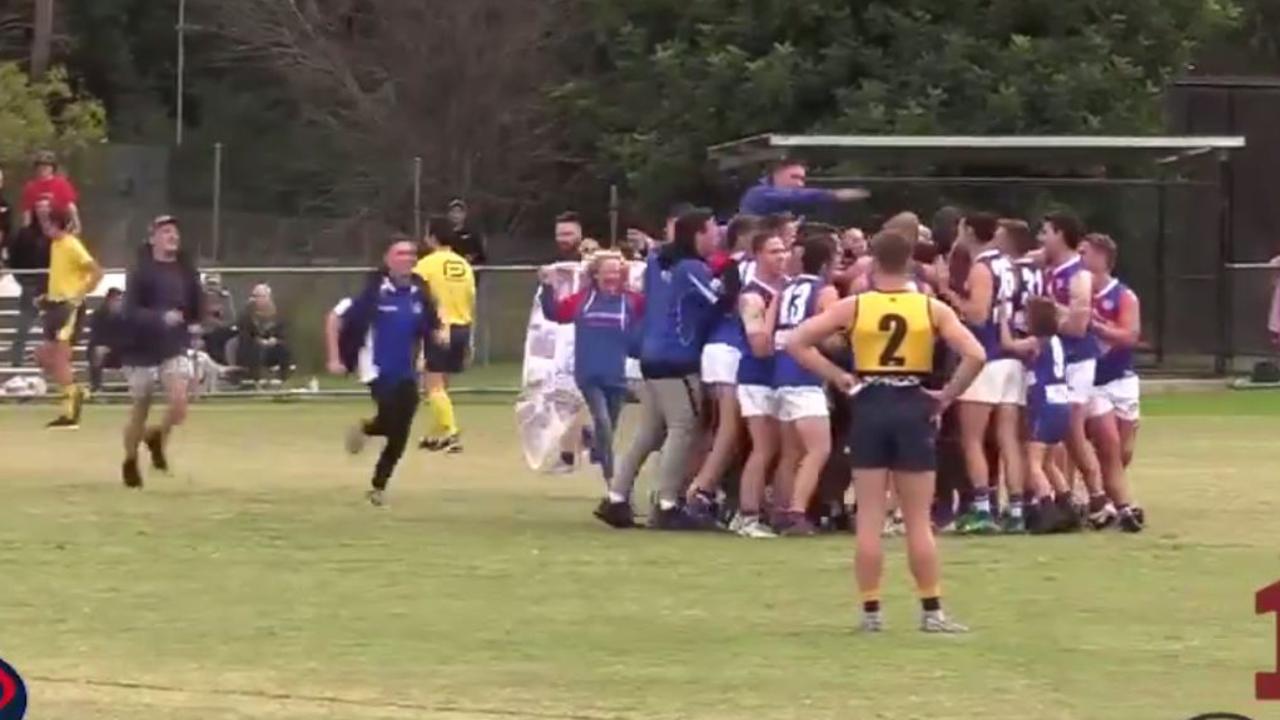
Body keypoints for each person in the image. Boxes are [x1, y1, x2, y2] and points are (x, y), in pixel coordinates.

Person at [786, 229, 984, 634]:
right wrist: (946, 395)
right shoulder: (931, 308)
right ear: (912, 260)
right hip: (913, 402)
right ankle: (932, 611)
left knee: (870, 516)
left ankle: (871, 612)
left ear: (873, 261)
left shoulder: (855, 306)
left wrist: (840, 377)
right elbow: (976, 354)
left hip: (870, 402)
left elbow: (797, 342)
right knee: (917, 518)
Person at [597, 209, 727, 530]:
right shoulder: (691, 267)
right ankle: (667, 503)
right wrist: (733, 279)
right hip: (676, 358)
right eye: (712, 231)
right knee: (684, 427)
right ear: (697, 234)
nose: (717, 236)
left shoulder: (657, 261)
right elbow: (718, 299)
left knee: (651, 430)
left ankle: (616, 497)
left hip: (650, 354)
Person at [326, 236, 443, 506]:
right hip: (377, 369)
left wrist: (440, 338)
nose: (408, 258)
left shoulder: (420, 293)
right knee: (392, 419)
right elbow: (334, 318)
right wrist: (335, 358)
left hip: (407, 369)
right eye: (401, 253)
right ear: (388, 259)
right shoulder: (373, 292)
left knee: (399, 432)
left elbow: (432, 325)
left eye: (412, 254)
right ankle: (370, 429)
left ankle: (378, 485)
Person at [938, 212, 1025, 534]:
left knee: (972, 438)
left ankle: (983, 509)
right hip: (1010, 358)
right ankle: (1016, 509)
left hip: (986, 357)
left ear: (970, 230)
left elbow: (977, 314)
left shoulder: (982, 267)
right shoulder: (1008, 264)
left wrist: (948, 293)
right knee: (1007, 438)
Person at [539, 251, 644, 489]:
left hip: (617, 376)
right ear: (595, 274)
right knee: (604, 423)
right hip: (589, 373)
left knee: (608, 430)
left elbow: (641, 332)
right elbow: (555, 313)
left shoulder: (633, 301)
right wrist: (547, 286)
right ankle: (612, 483)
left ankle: (594, 442)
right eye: (608, 270)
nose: (613, 275)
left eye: (617, 271)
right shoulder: (583, 300)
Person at [1040, 212, 1114, 528]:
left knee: (1072, 431)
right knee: (1057, 434)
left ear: (1060, 234)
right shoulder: (1049, 267)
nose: (1040, 237)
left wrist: (1046, 313)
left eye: (1045, 231)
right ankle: (1071, 498)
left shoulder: (1078, 275)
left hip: (1076, 361)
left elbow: (1078, 325)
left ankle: (1099, 499)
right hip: (1057, 360)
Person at [684, 215, 762, 514]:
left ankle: (689, 488)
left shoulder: (724, 265)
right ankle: (699, 492)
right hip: (730, 349)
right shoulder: (744, 267)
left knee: (714, 426)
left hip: (715, 348)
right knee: (729, 427)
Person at [119, 217, 203, 488]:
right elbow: (129, 311)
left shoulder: (185, 270)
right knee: (140, 408)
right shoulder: (140, 271)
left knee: (179, 404)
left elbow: (195, 306)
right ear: (153, 237)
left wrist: (197, 319)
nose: (173, 236)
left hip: (172, 346)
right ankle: (130, 460)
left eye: (175, 232)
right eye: (166, 231)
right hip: (140, 348)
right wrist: (159, 318)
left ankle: (156, 435)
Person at [771, 235, 840, 536]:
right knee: (819, 449)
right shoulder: (825, 291)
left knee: (791, 452)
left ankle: (781, 509)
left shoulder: (787, 288)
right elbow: (829, 335)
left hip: (781, 372)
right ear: (827, 262)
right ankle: (797, 512)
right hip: (805, 374)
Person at [1080, 233, 1144, 532]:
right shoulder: (1077, 291)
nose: (1081, 258)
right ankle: (1121, 506)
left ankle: (1105, 501)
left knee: (1124, 452)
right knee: (1108, 444)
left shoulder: (1123, 295)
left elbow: (1129, 336)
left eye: (1087, 253)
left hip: (1121, 378)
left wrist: (1096, 326)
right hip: (1093, 382)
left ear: (1103, 258)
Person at [729, 230, 789, 538]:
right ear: (757, 256)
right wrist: (775, 306)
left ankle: (776, 511)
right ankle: (747, 515)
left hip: (780, 378)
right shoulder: (753, 295)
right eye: (773, 251)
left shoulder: (790, 288)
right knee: (763, 447)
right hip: (756, 377)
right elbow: (760, 346)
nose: (781, 257)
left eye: (783, 250)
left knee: (782, 448)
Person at [999, 296, 1074, 534]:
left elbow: (1008, 345)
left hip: (1045, 403)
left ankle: (1048, 509)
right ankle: (1067, 507)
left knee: (1034, 464)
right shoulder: (1057, 342)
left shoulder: (1037, 341)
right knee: (1049, 462)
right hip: (1062, 402)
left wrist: (1002, 320)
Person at [414, 217, 477, 453]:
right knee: (441, 386)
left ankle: (451, 433)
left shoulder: (425, 265)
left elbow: (419, 298)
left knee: (432, 385)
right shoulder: (464, 265)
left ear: (431, 237)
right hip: (462, 326)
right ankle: (436, 434)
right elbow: (471, 300)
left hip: (439, 328)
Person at [37, 208, 102, 428]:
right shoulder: (55, 245)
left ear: (57, 224)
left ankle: (70, 412)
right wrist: (48, 296)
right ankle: (76, 392)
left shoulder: (72, 244)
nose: (45, 226)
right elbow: (64, 275)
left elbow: (96, 271)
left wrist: (79, 295)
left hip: (68, 307)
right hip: (54, 305)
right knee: (43, 356)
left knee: (60, 357)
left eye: (48, 222)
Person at [4, 195, 52, 367]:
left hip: (55, 285)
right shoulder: (25, 234)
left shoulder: (58, 232)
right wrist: (23, 279)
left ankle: (55, 363)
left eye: (46, 207)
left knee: (57, 327)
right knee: (24, 324)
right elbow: (13, 258)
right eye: (39, 207)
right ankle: (16, 361)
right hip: (31, 283)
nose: (43, 211)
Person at [738, 158, 869, 216]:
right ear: (776, 174)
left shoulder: (790, 206)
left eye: (802, 179)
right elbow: (795, 197)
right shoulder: (759, 194)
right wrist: (833, 195)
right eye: (794, 177)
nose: (799, 184)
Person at [237, 284, 292, 384]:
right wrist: (259, 340)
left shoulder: (279, 313)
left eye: (260, 296)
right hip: (253, 347)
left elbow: (284, 332)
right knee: (253, 347)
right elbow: (244, 334)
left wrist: (275, 339)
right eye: (254, 296)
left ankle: (283, 379)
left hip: (272, 348)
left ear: (268, 297)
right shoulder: (246, 314)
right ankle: (256, 379)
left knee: (284, 348)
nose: (256, 299)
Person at [20, 151, 80, 233]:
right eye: (40, 166)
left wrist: (77, 226)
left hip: (60, 225)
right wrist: (26, 231)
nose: (43, 169)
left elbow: (71, 207)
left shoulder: (62, 183)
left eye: (47, 166)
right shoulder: (30, 187)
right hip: (39, 227)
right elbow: (27, 213)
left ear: (52, 168)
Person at [87, 288, 127, 392]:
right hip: (105, 349)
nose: (118, 303)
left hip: (122, 349)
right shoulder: (98, 315)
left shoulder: (126, 317)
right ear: (109, 300)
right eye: (116, 300)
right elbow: (96, 337)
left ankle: (139, 387)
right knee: (98, 352)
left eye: (120, 301)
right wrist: (107, 346)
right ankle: (96, 387)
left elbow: (130, 336)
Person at [445, 199, 488, 265]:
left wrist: (472, 258)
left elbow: (481, 256)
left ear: (464, 214)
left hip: (468, 271)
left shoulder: (473, 233)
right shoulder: (442, 233)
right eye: (453, 212)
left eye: (459, 212)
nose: (456, 215)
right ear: (448, 214)